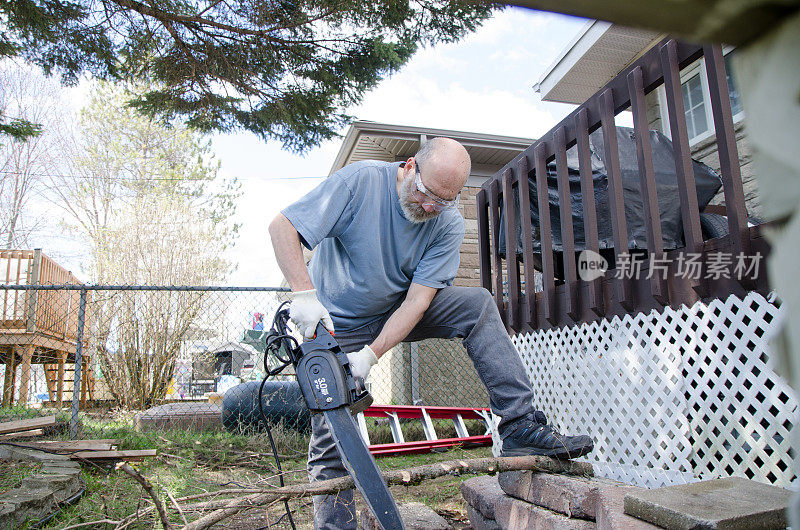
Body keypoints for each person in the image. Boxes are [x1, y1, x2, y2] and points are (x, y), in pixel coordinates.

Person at [269, 137, 593, 530]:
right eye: (425, 193)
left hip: (398, 309)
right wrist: (304, 296)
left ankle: (519, 424)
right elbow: (282, 226)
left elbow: (417, 303)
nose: (429, 207)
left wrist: (371, 356)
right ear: (409, 167)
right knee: (332, 438)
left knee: (476, 305)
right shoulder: (361, 182)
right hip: (337, 324)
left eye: (442, 201)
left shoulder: (446, 222)